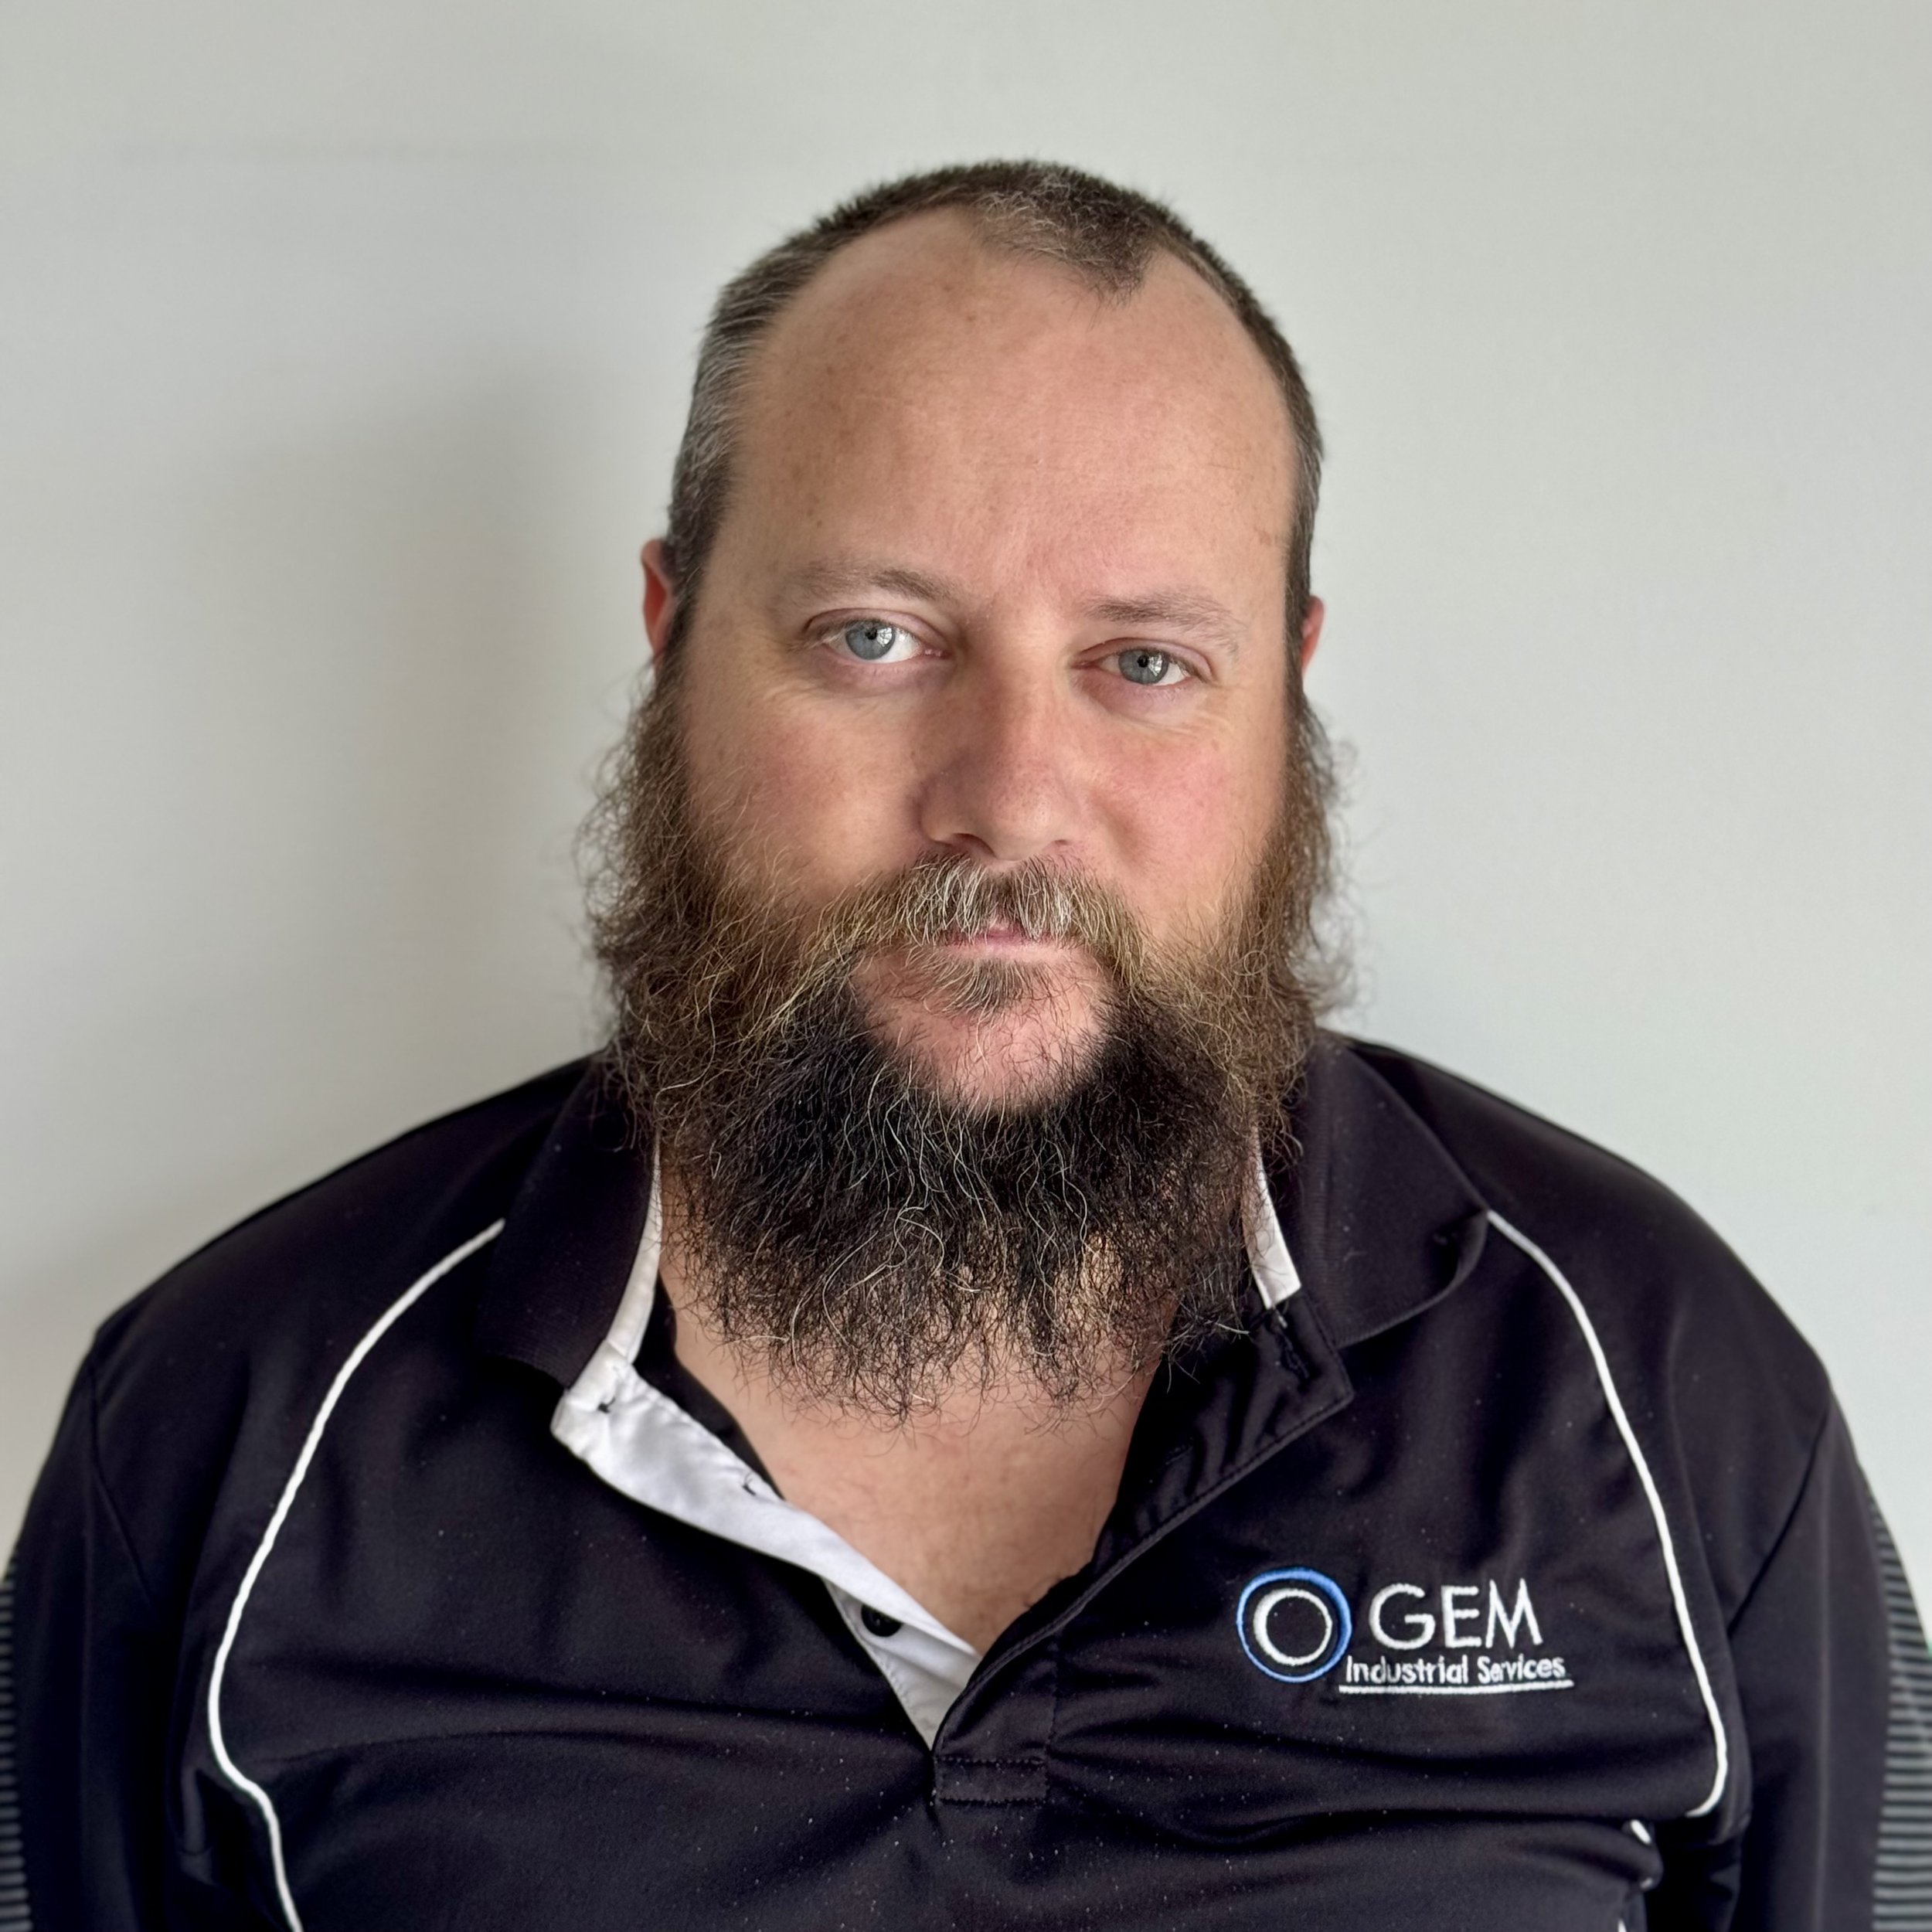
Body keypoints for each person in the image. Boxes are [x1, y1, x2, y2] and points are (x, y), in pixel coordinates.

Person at [5, 160, 1927, 1932]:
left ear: (1288, 696)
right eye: (874, 637)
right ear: (671, 637)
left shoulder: (1661, 1392)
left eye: (1141, 663)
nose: (1009, 800)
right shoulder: (220, 1430)